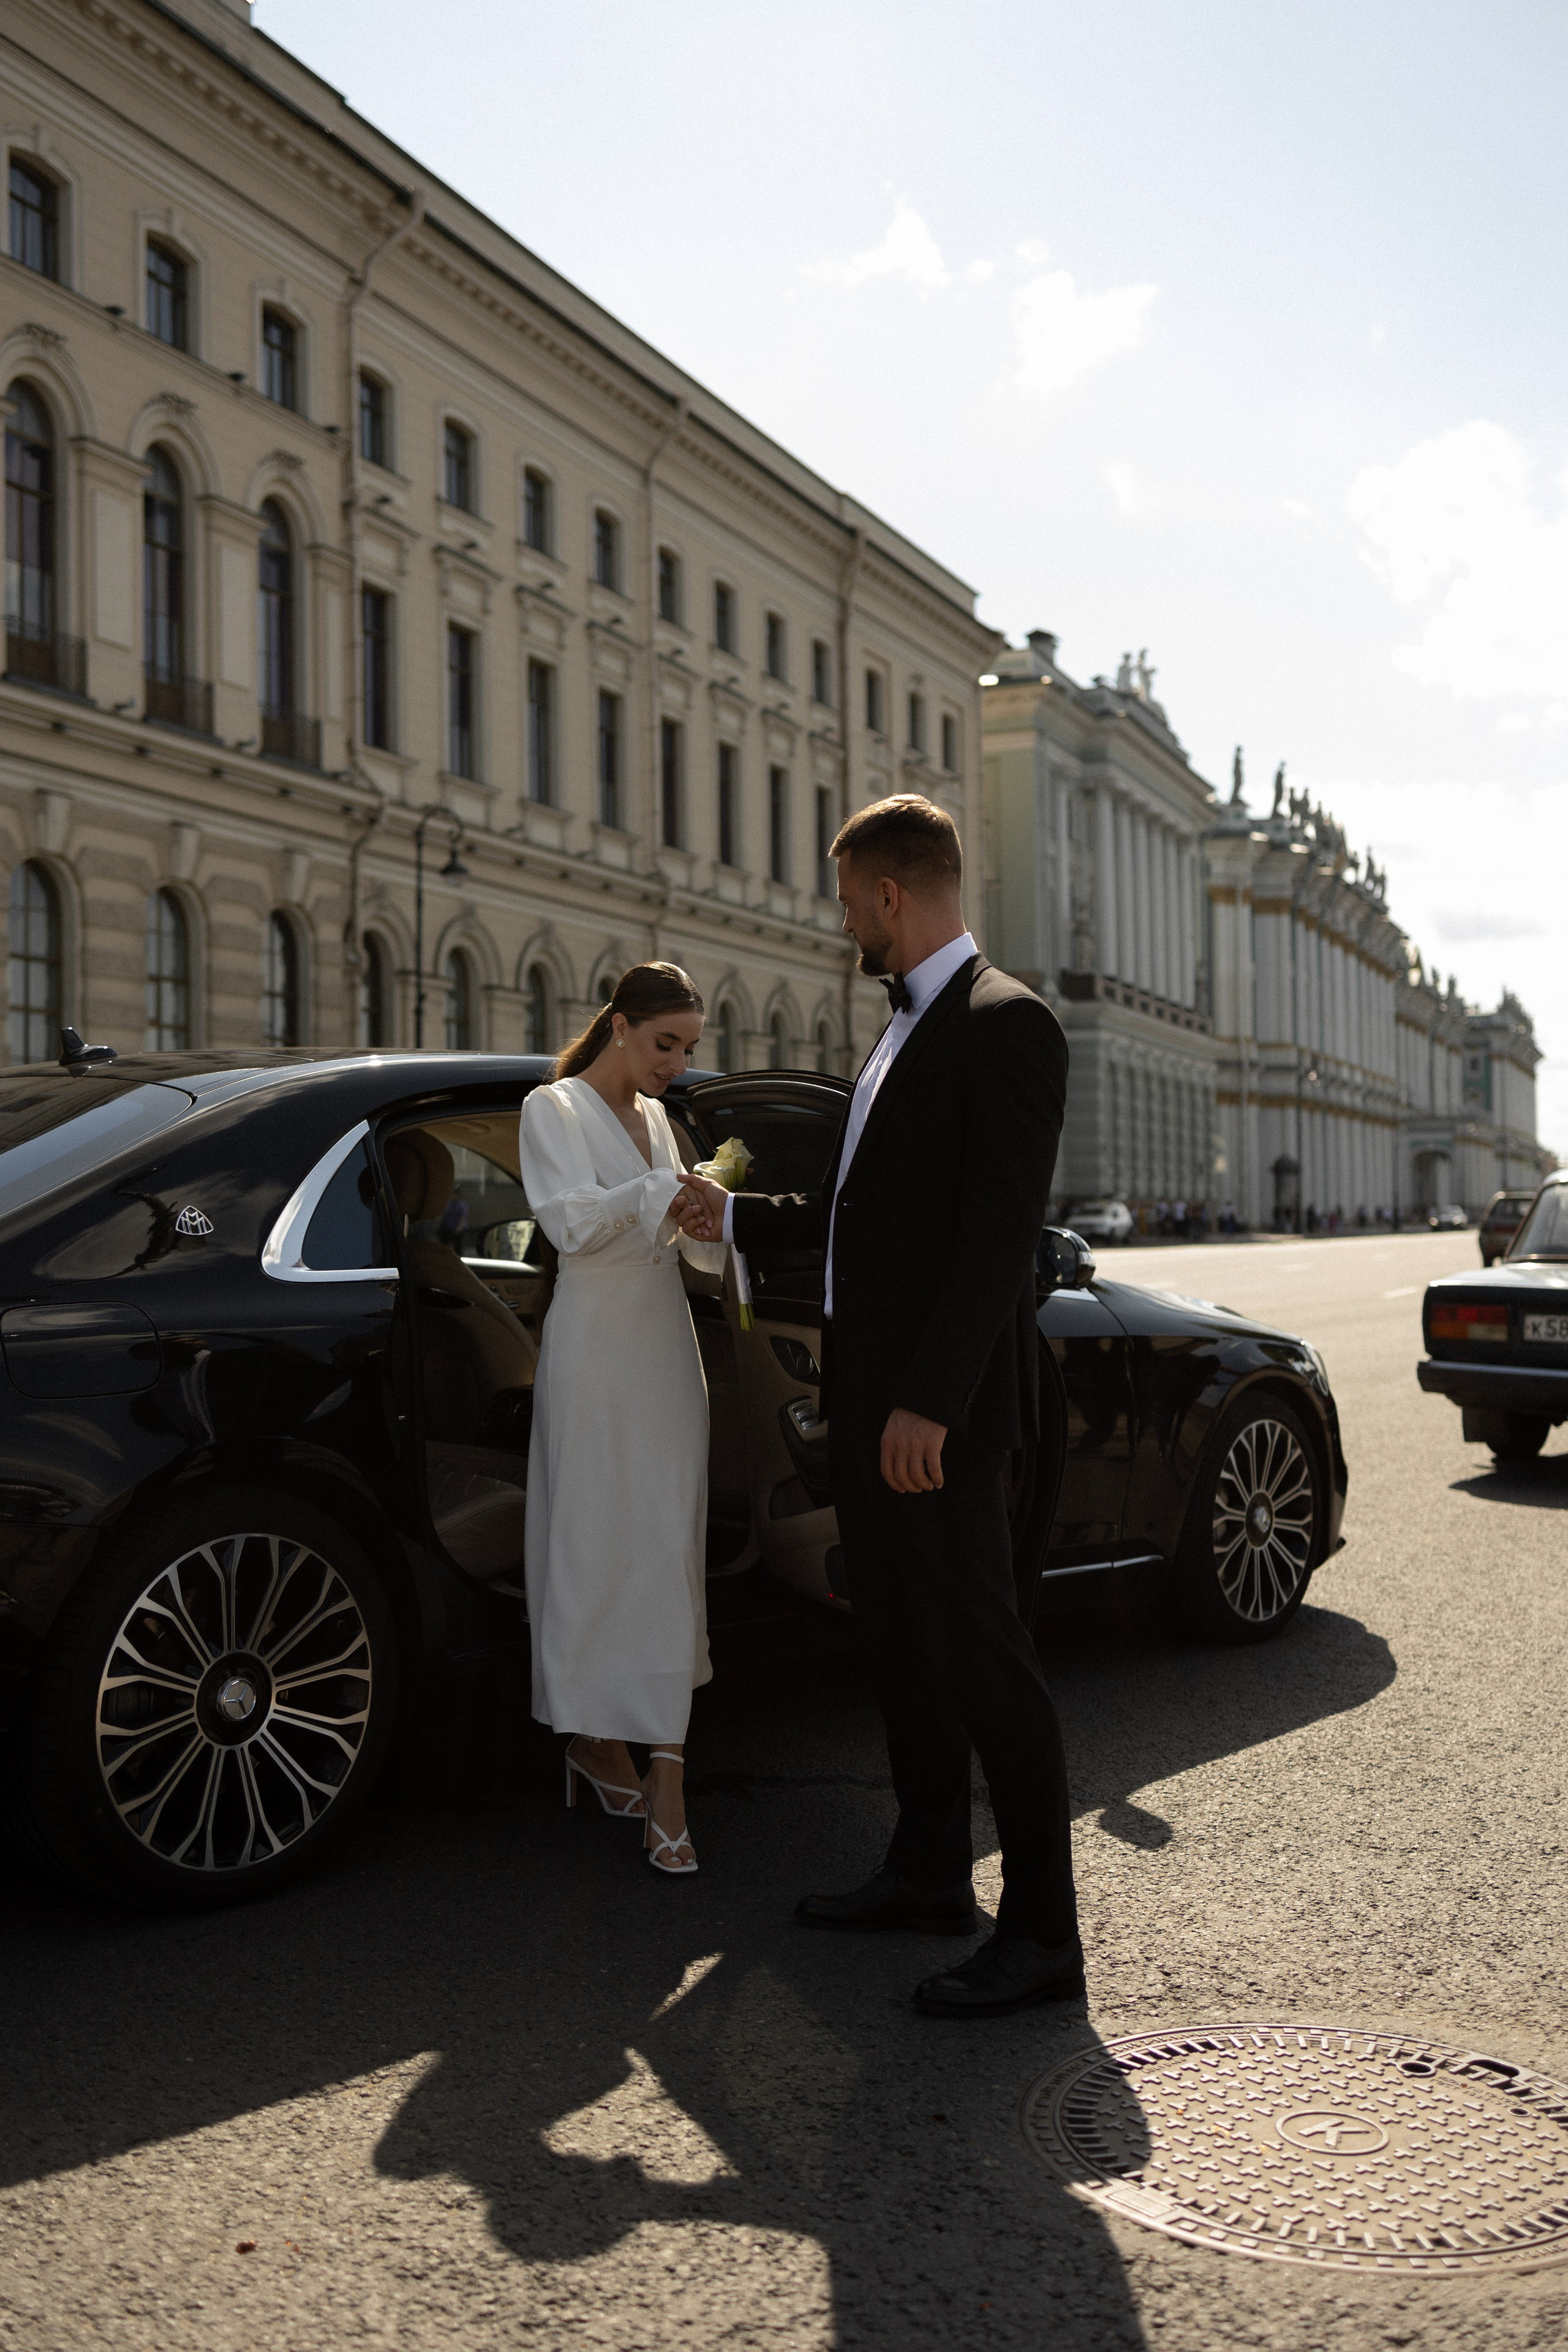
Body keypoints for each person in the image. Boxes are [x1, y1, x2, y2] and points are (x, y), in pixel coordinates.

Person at [675, 794, 1079, 2018]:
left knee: (983, 1659)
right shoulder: (896, 1033)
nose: (841, 916)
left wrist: (927, 1407)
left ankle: (1045, 1934)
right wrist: (735, 1215)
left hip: (933, 1421)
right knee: (899, 1645)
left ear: (890, 895)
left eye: (848, 897)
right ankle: (922, 1873)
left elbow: (991, 1243)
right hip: (868, 1404)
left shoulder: (1009, 1024)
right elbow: (869, 1226)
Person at [518, 962, 725, 1876]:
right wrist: (657, 1195)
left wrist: (706, 1220)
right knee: (595, 1546)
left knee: (668, 1550)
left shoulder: (662, 1119)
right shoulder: (551, 1109)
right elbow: (567, 1226)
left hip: (665, 1353)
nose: (677, 1063)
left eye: (687, 1048)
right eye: (664, 1044)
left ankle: (669, 1769)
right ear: (620, 1027)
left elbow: (677, 1245)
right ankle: (596, 1743)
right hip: (593, 1354)